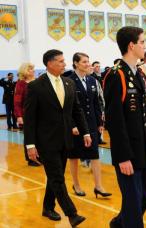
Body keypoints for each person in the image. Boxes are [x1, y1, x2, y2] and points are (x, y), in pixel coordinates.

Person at [24, 49, 91, 227]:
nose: (64, 64)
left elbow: (77, 110)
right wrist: (30, 145)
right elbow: (29, 119)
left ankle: (47, 207)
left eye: (64, 61)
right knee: (57, 178)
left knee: (56, 176)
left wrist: (85, 132)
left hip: (65, 140)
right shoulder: (36, 86)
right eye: (60, 61)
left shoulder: (69, 83)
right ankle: (72, 214)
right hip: (45, 142)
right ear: (49, 63)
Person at [104, 26, 146, 228]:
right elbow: (115, 121)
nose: (145, 45)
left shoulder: (141, 75)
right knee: (134, 203)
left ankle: (119, 223)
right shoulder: (116, 75)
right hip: (128, 152)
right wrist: (122, 156)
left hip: (144, 149)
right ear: (131, 45)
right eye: (143, 42)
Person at [68, 52, 111, 198]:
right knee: (73, 156)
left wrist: (100, 122)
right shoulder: (68, 80)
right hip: (76, 127)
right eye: (84, 62)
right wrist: (72, 125)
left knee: (95, 155)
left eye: (88, 61)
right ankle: (76, 184)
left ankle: (98, 186)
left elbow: (96, 103)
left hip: (91, 124)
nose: (88, 64)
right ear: (76, 63)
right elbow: (67, 108)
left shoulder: (92, 80)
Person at [14, 63, 40, 166]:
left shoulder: (37, 82)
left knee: (40, 136)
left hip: (39, 114)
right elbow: (17, 102)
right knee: (30, 136)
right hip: (27, 114)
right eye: (30, 69)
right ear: (24, 71)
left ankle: (40, 156)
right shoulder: (21, 84)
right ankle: (31, 159)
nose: (33, 71)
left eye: (33, 69)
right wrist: (19, 116)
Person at [90, 61, 107, 145]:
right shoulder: (91, 77)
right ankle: (96, 138)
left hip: (101, 101)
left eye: (99, 66)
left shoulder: (100, 77)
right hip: (95, 102)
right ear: (93, 68)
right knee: (97, 120)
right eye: (96, 66)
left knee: (101, 120)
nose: (98, 68)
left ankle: (99, 138)